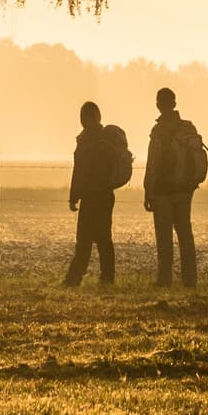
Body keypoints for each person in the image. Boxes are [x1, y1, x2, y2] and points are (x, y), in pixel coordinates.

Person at [143, 85, 208, 287]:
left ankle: (164, 280)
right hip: (185, 190)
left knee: (164, 238)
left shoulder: (159, 130)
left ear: (158, 105)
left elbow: (152, 163)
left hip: (163, 191)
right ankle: (190, 280)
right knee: (185, 234)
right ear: (174, 103)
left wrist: (148, 191)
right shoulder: (188, 128)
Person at [64, 99, 130, 286]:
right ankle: (107, 278)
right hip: (106, 196)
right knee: (104, 239)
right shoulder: (106, 139)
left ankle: (74, 279)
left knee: (83, 240)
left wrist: (73, 196)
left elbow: (79, 172)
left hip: (91, 196)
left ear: (84, 119)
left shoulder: (85, 141)